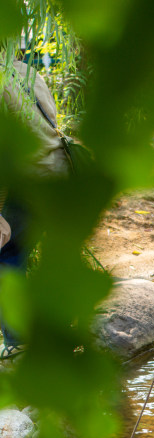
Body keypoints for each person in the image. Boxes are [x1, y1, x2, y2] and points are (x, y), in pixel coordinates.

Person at [0, 59, 69, 358]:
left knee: (6, 256)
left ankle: (18, 342)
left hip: (28, 182)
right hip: (59, 172)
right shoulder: (25, 69)